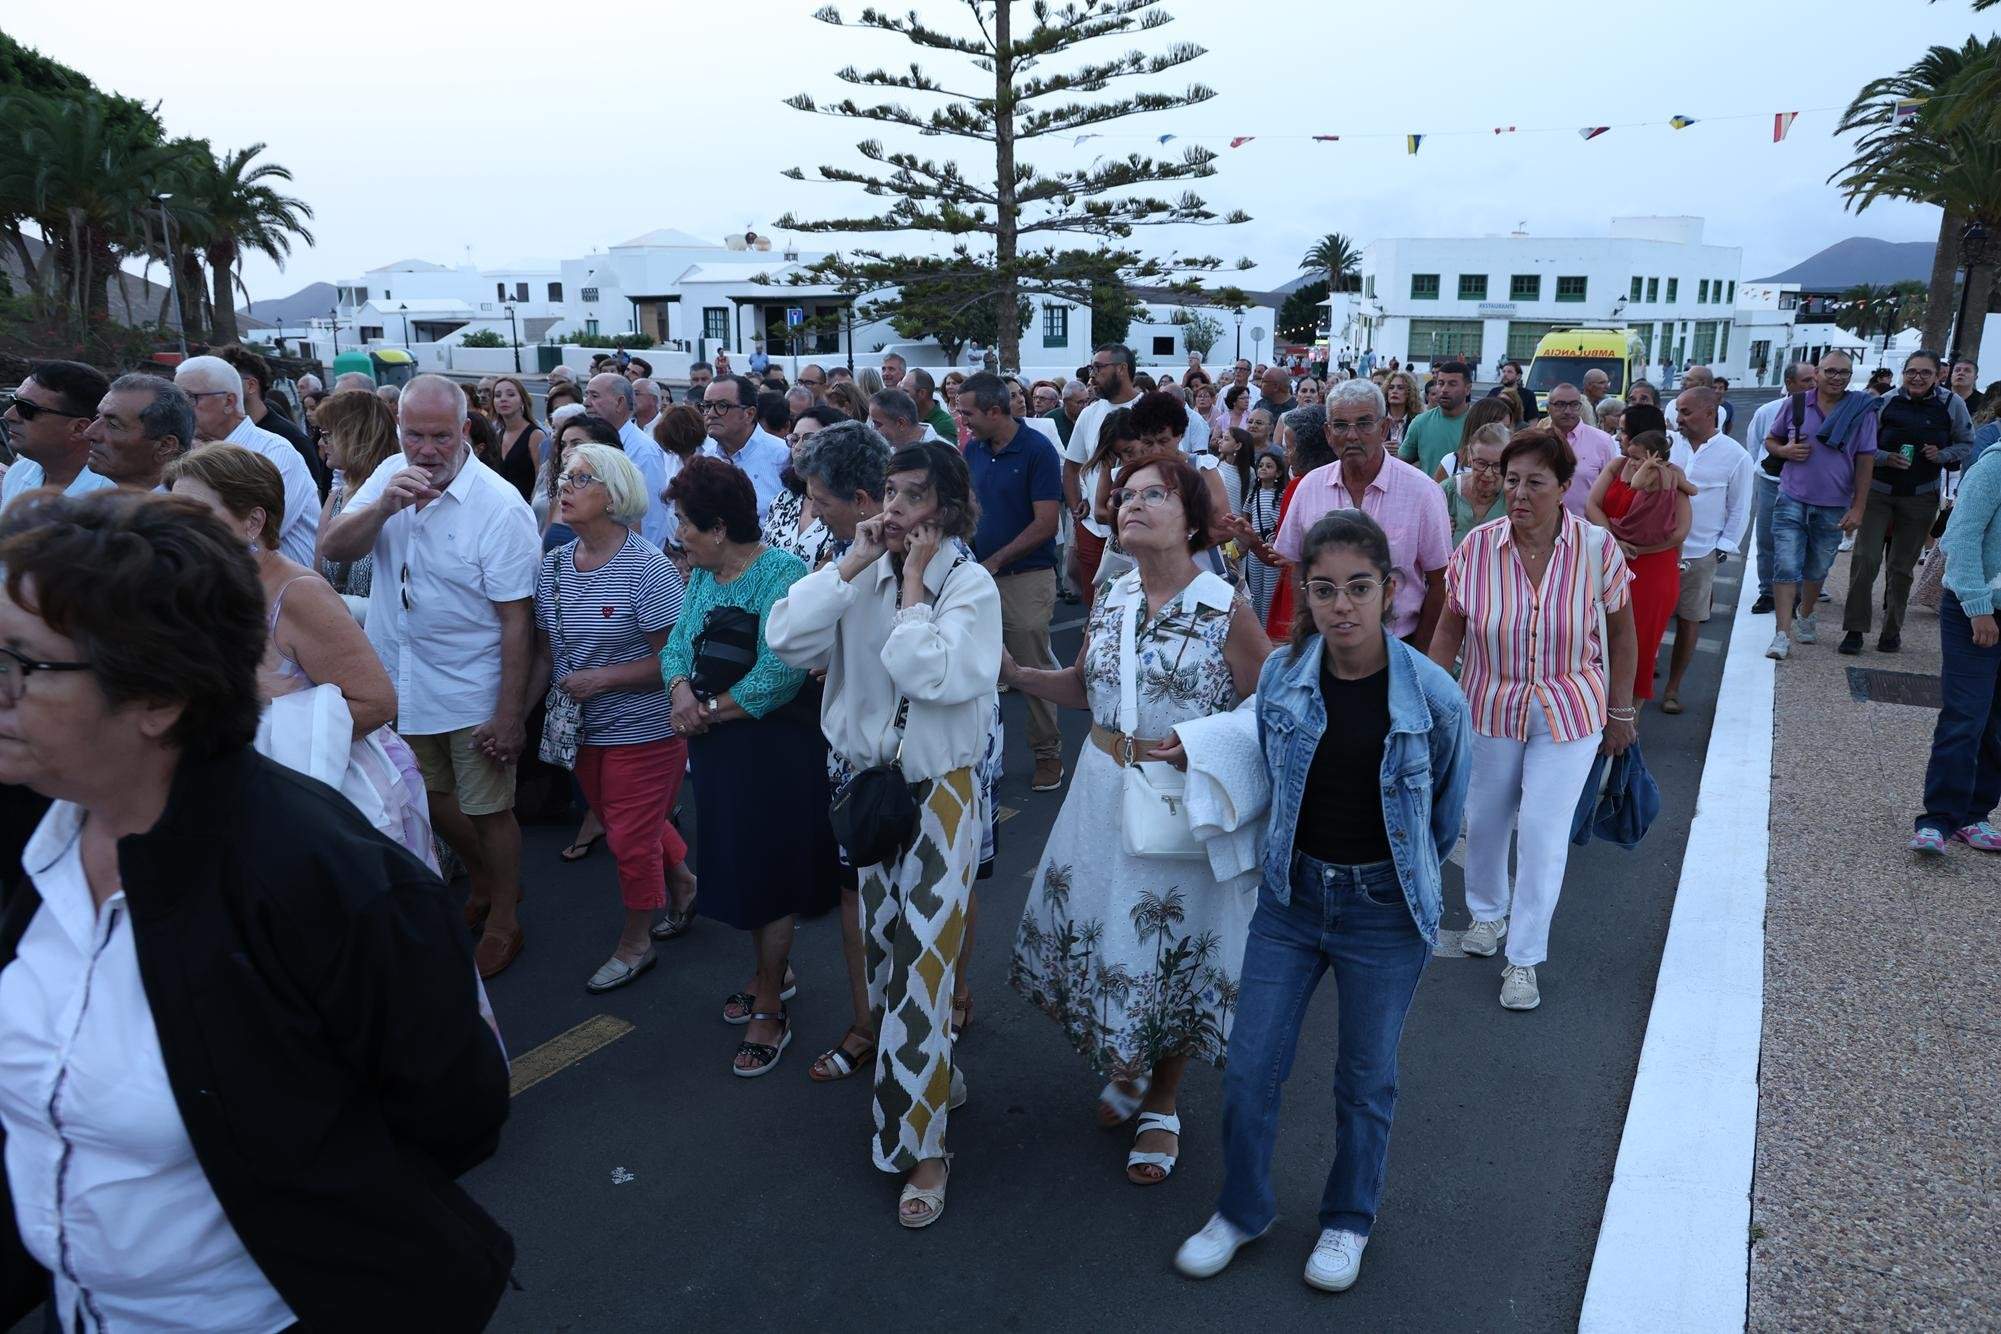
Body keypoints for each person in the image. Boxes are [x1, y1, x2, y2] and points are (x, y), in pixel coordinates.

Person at [0, 489, 513, 1331]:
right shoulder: (38, 834)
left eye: (25, 663)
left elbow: (452, 1114)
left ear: (157, 697)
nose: (2, 687)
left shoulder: (322, 879)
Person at [1175, 510, 1470, 1293]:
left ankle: (1347, 1220)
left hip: (1384, 910)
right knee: (1248, 1069)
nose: (1342, 606)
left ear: (1391, 592)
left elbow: (1442, 814)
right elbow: (1271, 772)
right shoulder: (1282, 674)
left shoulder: (1433, 696)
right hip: (1291, 899)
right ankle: (1241, 1210)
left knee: (1364, 1079)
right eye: (1325, 590)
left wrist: (1396, 877)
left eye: (1359, 589)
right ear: (1306, 594)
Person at [1006, 451, 1271, 1187]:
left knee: (1173, 941)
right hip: (1100, 792)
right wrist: (1022, 675)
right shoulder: (1115, 595)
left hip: (1180, 807)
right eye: (1123, 495)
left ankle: (1161, 1100)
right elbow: (1090, 691)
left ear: (1191, 520)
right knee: (1114, 937)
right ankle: (1125, 1060)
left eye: (1154, 494)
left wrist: (1203, 743)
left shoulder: (1226, 607)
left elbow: (1268, 709)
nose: (1130, 504)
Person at [768, 435, 1000, 1226]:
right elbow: (787, 643)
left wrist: (907, 584)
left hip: (940, 795)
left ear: (949, 509)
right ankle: (937, 1080)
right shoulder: (858, 575)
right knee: (883, 955)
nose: (895, 509)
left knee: (921, 974)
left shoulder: (967, 585)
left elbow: (930, 672)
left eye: (913, 497)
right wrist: (850, 566)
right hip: (868, 791)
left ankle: (921, 1148)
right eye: (890, 493)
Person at [317, 375, 542, 979]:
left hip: (472, 688)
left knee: (489, 809)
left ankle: (503, 920)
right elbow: (333, 550)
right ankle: (497, 887)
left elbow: (517, 622)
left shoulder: (499, 508)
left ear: (465, 432)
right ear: (399, 432)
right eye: (414, 435)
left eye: (440, 436)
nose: (426, 450)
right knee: (431, 799)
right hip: (402, 679)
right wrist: (384, 505)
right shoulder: (391, 475)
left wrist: (509, 714)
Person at [1427, 428, 1638, 1011]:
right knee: (1487, 820)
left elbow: (1622, 634)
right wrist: (1430, 700)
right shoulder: (1477, 547)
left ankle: (1524, 959)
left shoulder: (1596, 549)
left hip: (1571, 707)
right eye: (1510, 479)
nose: (1517, 493)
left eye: (1534, 483)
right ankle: (1487, 915)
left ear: (1565, 488)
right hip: (1490, 701)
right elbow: (1451, 627)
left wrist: (1622, 710)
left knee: (1544, 833)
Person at [661, 458, 838, 1074]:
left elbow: (780, 671)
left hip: (772, 751)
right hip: (717, 748)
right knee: (740, 865)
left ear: (715, 526)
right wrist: (682, 690)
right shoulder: (706, 576)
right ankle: (774, 972)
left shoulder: (781, 572)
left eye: (683, 523)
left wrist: (706, 708)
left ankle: (771, 1004)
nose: (676, 533)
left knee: (769, 875)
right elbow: (679, 642)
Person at [529, 442, 696, 990]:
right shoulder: (554, 565)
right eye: (564, 478)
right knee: (633, 827)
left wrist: (603, 679)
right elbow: (549, 653)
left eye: (580, 479)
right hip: (582, 733)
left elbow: (674, 663)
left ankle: (635, 943)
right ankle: (684, 883)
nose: (565, 488)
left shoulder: (647, 569)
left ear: (615, 494)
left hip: (644, 733)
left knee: (627, 839)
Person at [1269, 380, 1451, 651]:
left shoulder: (1422, 492)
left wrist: (1419, 656)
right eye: (1341, 425)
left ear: (1384, 428)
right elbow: (1297, 569)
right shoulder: (1309, 487)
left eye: (1364, 423)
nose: (1352, 435)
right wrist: (1305, 639)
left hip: (1398, 646)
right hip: (1323, 648)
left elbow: (1441, 583)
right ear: (1328, 433)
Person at [962, 371, 1066, 791]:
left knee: (1029, 667)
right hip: (976, 573)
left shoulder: (1038, 450)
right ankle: (978, 751)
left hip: (1025, 576)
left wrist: (994, 562)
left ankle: (1048, 753)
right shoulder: (973, 450)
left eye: (968, 412)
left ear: (993, 410)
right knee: (973, 666)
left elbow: (1046, 524)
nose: (962, 420)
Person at [1841, 350, 1975, 656]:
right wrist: (1885, 457)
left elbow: (1966, 444)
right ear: (1903, 373)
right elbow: (1859, 445)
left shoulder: (1950, 404)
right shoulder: (1885, 401)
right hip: (1879, 492)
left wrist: (1941, 455)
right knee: (1865, 560)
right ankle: (1854, 630)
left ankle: (1892, 630)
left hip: (1921, 496)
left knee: (1901, 568)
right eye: (1912, 371)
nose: (1917, 377)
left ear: (1937, 375)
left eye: (1925, 372)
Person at [1909, 429, 2001, 854]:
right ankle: (1938, 820)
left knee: (1997, 722)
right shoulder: (1994, 464)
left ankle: (1975, 815)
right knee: (1966, 714)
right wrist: (1978, 605)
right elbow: (1961, 537)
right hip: (1976, 607)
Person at [1763, 351, 1878, 660]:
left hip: (1834, 502)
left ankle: (1807, 611)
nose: (1837, 377)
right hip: (1792, 497)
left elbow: (1866, 460)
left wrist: (1859, 508)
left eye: (1844, 372)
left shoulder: (1862, 411)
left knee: (1817, 567)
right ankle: (1781, 634)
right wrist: (1785, 450)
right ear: (1817, 373)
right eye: (1831, 371)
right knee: (1786, 564)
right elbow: (1771, 441)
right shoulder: (1796, 403)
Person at [173, 356, 320, 565]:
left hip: (282, 593)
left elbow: (258, 534)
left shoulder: (274, 451)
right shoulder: (185, 452)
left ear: (229, 402)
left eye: (189, 398)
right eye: (175, 399)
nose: (179, 409)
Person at [1586, 416, 1691, 707]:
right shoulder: (1616, 466)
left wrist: (1638, 551)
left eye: (1638, 457)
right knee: (1597, 638)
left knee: (1642, 644)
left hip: (1653, 570)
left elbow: (1681, 531)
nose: (1631, 461)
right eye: (1629, 453)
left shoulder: (1671, 475)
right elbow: (1592, 505)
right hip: (1608, 560)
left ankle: (1630, 718)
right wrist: (1614, 543)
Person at [1661, 390, 1753, 710]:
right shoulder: (1667, 446)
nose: (1679, 418)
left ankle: (1673, 688)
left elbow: (1740, 507)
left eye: (1685, 412)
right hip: (1657, 550)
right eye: (1678, 412)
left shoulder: (1736, 455)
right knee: (1650, 619)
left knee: (1689, 621)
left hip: (1699, 554)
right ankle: (1644, 676)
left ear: (1709, 413)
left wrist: (1721, 549)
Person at [312, 387, 400, 612]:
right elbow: (319, 578)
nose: (321, 444)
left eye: (326, 435)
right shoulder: (336, 497)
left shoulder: (397, 497)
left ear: (354, 436)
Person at [1064, 345, 1143, 574]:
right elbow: (1071, 468)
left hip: (1139, 529)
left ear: (1121, 368)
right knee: (1094, 605)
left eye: (1098, 367)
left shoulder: (1151, 408)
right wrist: (1077, 514)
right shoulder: (1089, 413)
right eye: (1091, 368)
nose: (1092, 375)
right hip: (1093, 530)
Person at [1745, 362, 1816, 614]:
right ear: (1789, 383)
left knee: (1801, 540)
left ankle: (1795, 593)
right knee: (1766, 539)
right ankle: (1767, 592)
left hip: (1807, 487)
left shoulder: (1824, 411)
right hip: (1771, 485)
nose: (1812, 384)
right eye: (1806, 380)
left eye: (1814, 379)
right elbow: (1754, 447)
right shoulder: (1768, 411)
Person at [216, 344, 327, 497]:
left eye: (223, 382)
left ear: (251, 385)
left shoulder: (290, 440)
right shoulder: (219, 436)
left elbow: (312, 496)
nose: (215, 388)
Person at [1, 360, 112, 509]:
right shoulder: (19, 473)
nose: (9, 415)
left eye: (27, 409)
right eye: (13, 401)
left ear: (79, 428)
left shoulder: (113, 500)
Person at [584, 372, 673, 552]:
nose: (586, 402)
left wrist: (640, 564)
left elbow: (652, 519)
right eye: (586, 395)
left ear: (619, 402)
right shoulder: (591, 442)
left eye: (594, 396)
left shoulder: (643, 451)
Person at [698, 372, 791, 521]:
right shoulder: (705, 460)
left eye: (722, 406)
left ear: (749, 414)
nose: (711, 414)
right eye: (707, 406)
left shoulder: (783, 456)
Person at [84, 372, 195, 491]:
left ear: (165, 446)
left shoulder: (189, 508)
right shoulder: (92, 501)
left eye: (113, 424)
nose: (89, 433)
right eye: (97, 417)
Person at [765, 402, 843, 566]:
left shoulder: (847, 505)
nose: (798, 447)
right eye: (794, 439)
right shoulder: (783, 499)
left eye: (809, 439)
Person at [1543, 382, 1618, 515]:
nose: (1567, 411)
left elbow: (1612, 493)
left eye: (1573, 405)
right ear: (1548, 408)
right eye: (1560, 404)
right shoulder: (1536, 441)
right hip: (1542, 528)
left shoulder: (1602, 442)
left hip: (1587, 529)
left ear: (1580, 407)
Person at [1397, 360, 1472, 478]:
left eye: (1452, 384)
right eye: (1441, 383)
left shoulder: (1480, 423)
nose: (1444, 389)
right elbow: (1400, 465)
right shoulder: (1420, 422)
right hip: (1427, 495)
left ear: (1467, 389)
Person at [1242, 448, 1289, 621]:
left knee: (1270, 593)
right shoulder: (1253, 494)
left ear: (1278, 472)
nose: (1263, 468)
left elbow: (1283, 522)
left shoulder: (1282, 495)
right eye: (1261, 465)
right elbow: (1246, 517)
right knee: (1255, 591)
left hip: (1273, 550)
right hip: (1255, 550)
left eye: (1269, 466)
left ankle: (1268, 628)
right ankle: (1258, 627)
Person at [1445, 422, 1509, 545]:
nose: (1488, 473)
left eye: (1497, 465)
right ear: (1470, 456)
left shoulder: (1513, 496)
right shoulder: (1448, 491)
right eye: (1481, 463)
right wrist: (1437, 530)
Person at [489, 374, 543, 504]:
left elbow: (541, 480)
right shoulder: (498, 434)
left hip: (526, 506)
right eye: (497, 395)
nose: (503, 399)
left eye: (511, 394)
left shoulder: (536, 435)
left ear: (522, 401)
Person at [1381, 370, 1420, 452]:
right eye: (1391, 388)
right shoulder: (1378, 419)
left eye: (1400, 388)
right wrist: (1379, 448)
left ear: (1410, 392)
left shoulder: (1418, 421)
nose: (1394, 391)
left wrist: (1404, 454)